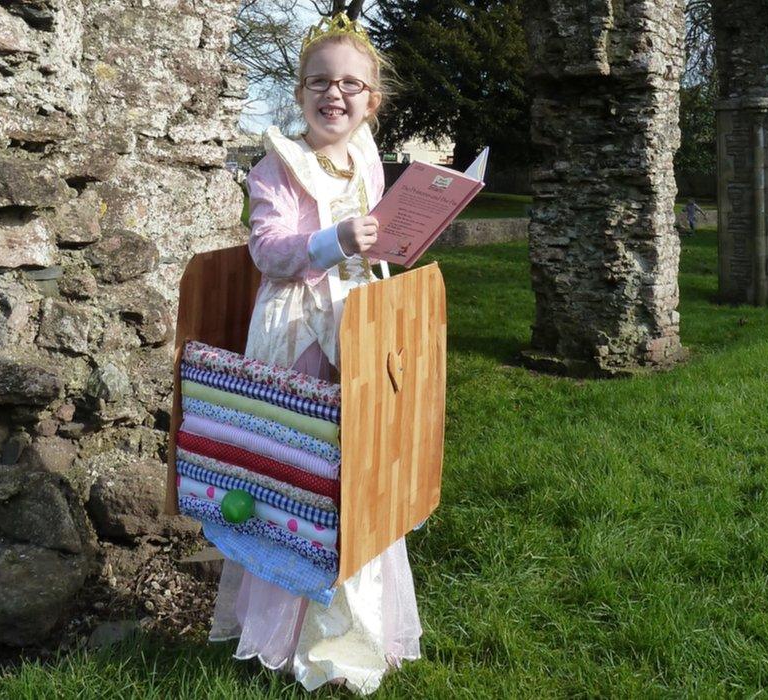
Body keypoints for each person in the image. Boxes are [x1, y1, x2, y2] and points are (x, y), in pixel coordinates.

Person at [206, 12, 422, 695]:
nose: (336, 95)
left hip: (363, 328)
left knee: (362, 472)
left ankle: (351, 634)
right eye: (320, 83)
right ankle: (285, 633)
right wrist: (333, 242)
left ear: (372, 101)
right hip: (299, 331)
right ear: (299, 93)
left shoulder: (368, 158)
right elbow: (267, 249)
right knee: (299, 469)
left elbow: (378, 238)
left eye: (351, 85)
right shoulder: (277, 163)